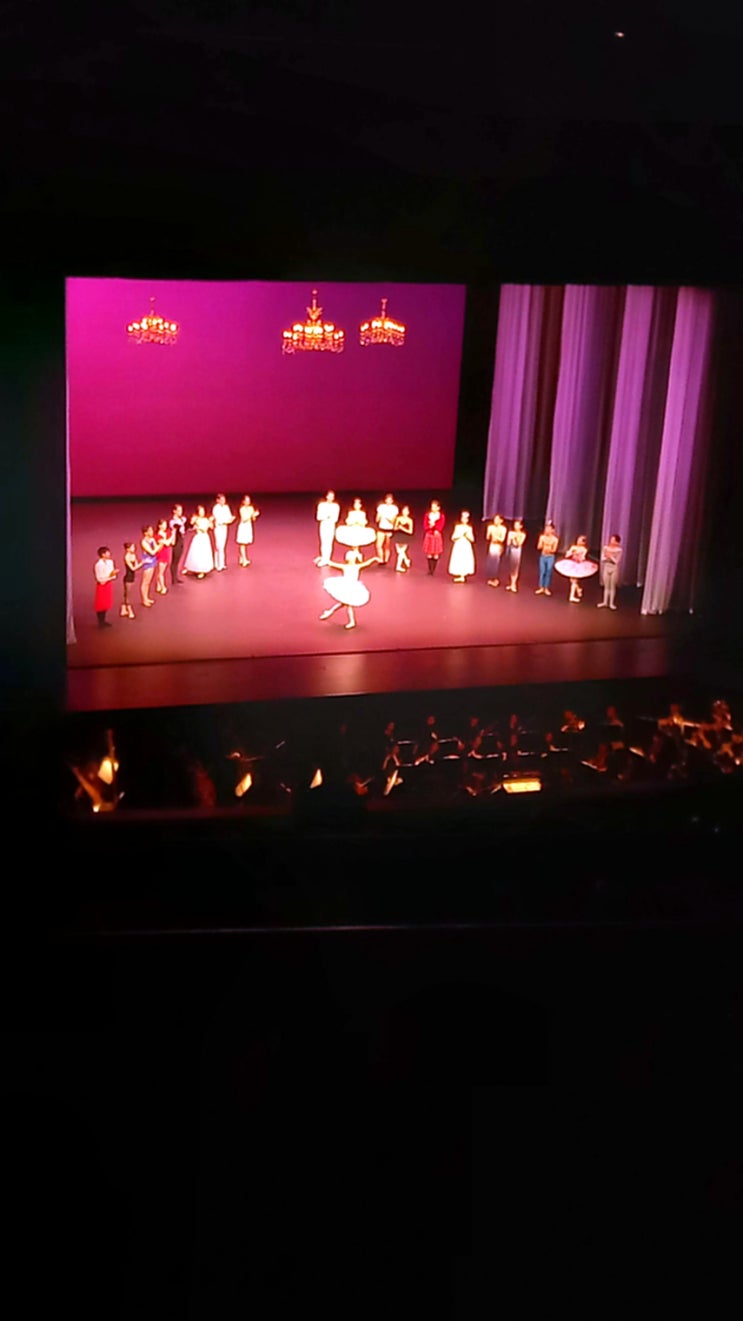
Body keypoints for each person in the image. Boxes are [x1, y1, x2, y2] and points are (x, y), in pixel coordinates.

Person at [319, 548, 379, 630]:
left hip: (352, 587)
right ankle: (347, 619)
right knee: (346, 604)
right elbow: (332, 563)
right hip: (347, 586)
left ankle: (333, 613)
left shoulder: (356, 566)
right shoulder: (346, 566)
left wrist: (374, 559)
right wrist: (323, 559)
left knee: (346, 604)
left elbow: (367, 563)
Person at [183, 505, 215, 579]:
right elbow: (191, 525)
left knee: (203, 554)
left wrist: (210, 522)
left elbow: (209, 528)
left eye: (203, 511)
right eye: (200, 511)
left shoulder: (206, 520)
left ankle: (201, 571)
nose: (202, 513)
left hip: (204, 538)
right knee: (194, 553)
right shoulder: (196, 519)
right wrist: (194, 522)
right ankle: (190, 568)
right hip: (198, 537)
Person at [448, 510, 476, 582]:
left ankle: (463, 575)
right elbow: (453, 537)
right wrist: (459, 535)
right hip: (459, 544)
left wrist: (467, 535)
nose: (464, 520)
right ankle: (460, 574)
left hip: (466, 545)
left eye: (466, 518)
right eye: (463, 518)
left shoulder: (469, 528)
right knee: (458, 558)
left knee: (465, 559)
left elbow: (472, 539)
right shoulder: (457, 527)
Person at [93, 546, 117, 628]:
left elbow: (113, 575)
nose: (109, 554)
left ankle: (103, 620)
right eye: (107, 553)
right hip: (101, 586)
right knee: (100, 604)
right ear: (103, 554)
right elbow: (99, 579)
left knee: (106, 603)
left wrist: (109, 577)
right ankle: (100, 622)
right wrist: (109, 577)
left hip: (108, 584)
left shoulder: (110, 562)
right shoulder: (98, 565)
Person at [562, 535, 590, 603]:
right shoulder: (573, 547)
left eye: (580, 540)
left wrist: (579, 556)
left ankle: (572, 596)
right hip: (572, 564)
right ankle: (578, 589)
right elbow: (567, 555)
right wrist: (571, 552)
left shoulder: (584, 549)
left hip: (578, 565)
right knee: (572, 580)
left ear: (583, 542)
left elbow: (583, 558)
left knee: (574, 581)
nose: (578, 541)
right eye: (578, 540)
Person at [597, 534, 622, 609]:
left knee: (612, 586)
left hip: (614, 569)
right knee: (606, 586)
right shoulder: (605, 548)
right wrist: (607, 557)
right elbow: (602, 559)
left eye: (614, 540)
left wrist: (610, 556)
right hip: (606, 567)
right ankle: (605, 602)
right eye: (611, 539)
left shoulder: (619, 550)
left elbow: (616, 561)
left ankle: (611, 603)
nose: (612, 541)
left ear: (617, 542)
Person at [315, 490, 340, 565]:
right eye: (329, 496)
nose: (331, 498)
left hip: (331, 525)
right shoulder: (322, 505)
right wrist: (326, 516)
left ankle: (327, 559)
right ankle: (323, 557)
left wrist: (329, 517)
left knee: (329, 542)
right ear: (326, 496)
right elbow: (318, 517)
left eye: (332, 497)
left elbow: (335, 518)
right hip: (324, 524)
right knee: (323, 541)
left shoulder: (336, 506)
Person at [212, 494, 235, 571]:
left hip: (224, 528)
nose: (223, 501)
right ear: (217, 500)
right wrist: (226, 521)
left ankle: (221, 563)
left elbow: (229, 516)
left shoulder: (226, 507)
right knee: (219, 546)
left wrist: (230, 519)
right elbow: (218, 519)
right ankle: (218, 564)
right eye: (221, 500)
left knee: (222, 545)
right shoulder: (215, 508)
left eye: (224, 500)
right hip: (218, 528)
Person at [535, 521, 559, 595]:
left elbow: (554, 550)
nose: (547, 530)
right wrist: (542, 544)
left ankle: (546, 588)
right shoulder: (542, 537)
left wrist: (549, 549)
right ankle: (541, 587)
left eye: (548, 529)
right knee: (542, 571)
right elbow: (538, 547)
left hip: (550, 557)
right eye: (546, 528)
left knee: (548, 572)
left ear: (552, 530)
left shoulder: (555, 539)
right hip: (543, 556)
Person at [422, 500, 445, 575]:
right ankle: (430, 569)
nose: (433, 508)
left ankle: (433, 570)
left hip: (436, 535)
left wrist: (435, 527)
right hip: (429, 534)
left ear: (438, 508)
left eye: (435, 507)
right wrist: (429, 527)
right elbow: (425, 525)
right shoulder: (428, 515)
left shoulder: (441, 516)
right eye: (432, 507)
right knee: (429, 553)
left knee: (435, 553)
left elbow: (441, 525)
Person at [236, 495, 260, 566]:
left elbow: (253, 519)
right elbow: (244, 519)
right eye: (246, 501)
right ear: (243, 501)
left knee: (245, 543)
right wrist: (251, 514)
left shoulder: (251, 508)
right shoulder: (242, 509)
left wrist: (255, 515)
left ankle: (241, 558)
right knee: (242, 543)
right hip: (243, 527)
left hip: (248, 527)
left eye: (249, 500)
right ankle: (244, 560)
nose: (248, 502)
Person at [375, 493, 399, 564]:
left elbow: (393, 521)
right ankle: (381, 559)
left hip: (389, 529)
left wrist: (387, 518)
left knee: (387, 546)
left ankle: (386, 560)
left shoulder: (394, 508)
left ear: (392, 501)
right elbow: (377, 519)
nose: (389, 501)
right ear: (385, 500)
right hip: (381, 528)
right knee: (378, 545)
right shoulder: (381, 507)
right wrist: (379, 517)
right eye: (387, 500)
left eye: (390, 500)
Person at [120, 542, 141, 619]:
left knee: (126, 594)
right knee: (128, 595)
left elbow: (136, 565)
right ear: (128, 549)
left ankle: (123, 609)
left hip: (132, 577)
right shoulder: (126, 557)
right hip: (128, 578)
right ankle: (129, 610)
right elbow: (133, 568)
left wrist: (140, 564)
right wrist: (142, 563)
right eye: (132, 547)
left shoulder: (133, 555)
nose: (134, 549)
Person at [485, 514, 507, 587]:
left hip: (498, 546)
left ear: (501, 521)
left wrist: (495, 536)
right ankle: (491, 578)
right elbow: (487, 538)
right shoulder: (490, 527)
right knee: (490, 562)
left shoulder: (503, 529)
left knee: (496, 563)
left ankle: (496, 579)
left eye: (497, 519)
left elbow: (502, 539)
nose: (495, 521)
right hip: (492, 545)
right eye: (495, 519)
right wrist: (489, 533)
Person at [139, 525, 159, 606]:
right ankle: (144, 600)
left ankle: (146, 597)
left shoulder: (152, 539)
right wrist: (160, 545)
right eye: (150, 531)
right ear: (145, 533)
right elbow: (152, 552)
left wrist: (158, 546)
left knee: (149, 582)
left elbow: (156, 549)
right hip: (148, 562)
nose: (152, 532)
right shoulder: (144, 542)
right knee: (145, 582)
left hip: (153, 561)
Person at [154, 518, 174, 595]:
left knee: (161, 571)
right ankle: (163, 587)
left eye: (166, 524)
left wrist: (171, 536)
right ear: (159, 526)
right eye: (163, 524)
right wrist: (172, 535)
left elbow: (172, 543)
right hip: (161, 554)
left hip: (166, 553)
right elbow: (167, 543)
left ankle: (158, 585)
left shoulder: (167, 533)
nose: (165, 526)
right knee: (161, 572)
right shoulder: (157, 535)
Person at [505, 519, 526, 592]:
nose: (515, 526)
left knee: (515, 567)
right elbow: (508, 543)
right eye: (515, 525)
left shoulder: (522, 534)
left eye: (517, 525)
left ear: (521, 526)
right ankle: (511, 583)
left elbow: (519, 544)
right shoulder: (511, 533)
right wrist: (510, 539)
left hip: (517, 551)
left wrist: (515, 537)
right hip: (511, 549)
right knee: (511, 567)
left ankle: (514, 584)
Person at [169, 504, 187, 585]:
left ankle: (176, 577)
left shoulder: (182, 519)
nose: (180, 512)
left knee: (178, 559)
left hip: (181, 540)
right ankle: (173, 578)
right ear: (174, 511)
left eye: (181, 510)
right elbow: (176, 528)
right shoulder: (173, 521)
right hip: (176, 541)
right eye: (179, 510)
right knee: (175, 560)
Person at [393, 505, 414, 572]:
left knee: (401, 552)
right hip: (398, 536)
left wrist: (402, 528)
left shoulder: (410, 520)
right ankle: (406, 560)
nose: (405, 512)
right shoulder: (398, 518)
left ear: (408, 512)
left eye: (406, 511)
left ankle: (398, 566)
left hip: (405, 537)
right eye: (404, 511)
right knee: (399, 551)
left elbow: (410, 531)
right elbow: (394, 528)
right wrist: (398, 528)